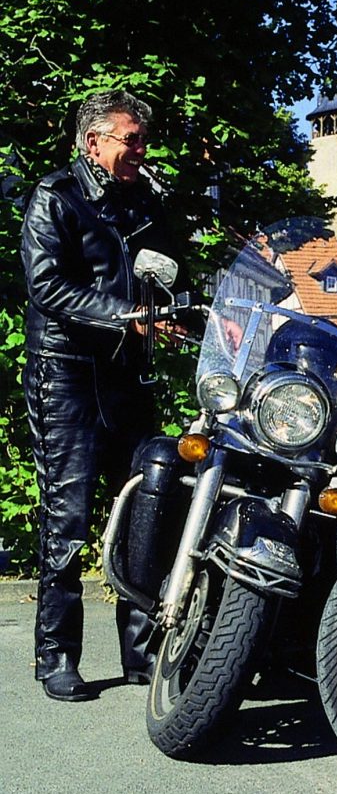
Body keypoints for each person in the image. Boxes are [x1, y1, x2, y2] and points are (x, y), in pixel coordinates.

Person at [21, 89, 194, 701]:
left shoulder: (144, 199)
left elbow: (169, 273)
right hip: (66, 374)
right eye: (131, 139)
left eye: (143, 139)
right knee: (67, 515)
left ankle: (141, 652)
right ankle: (56, 656)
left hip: (128, 373)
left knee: (146, 505)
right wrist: (126, 316)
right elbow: (47, 286)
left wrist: (176, 312)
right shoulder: (56, 196)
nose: (141, 150)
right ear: (93, 142)